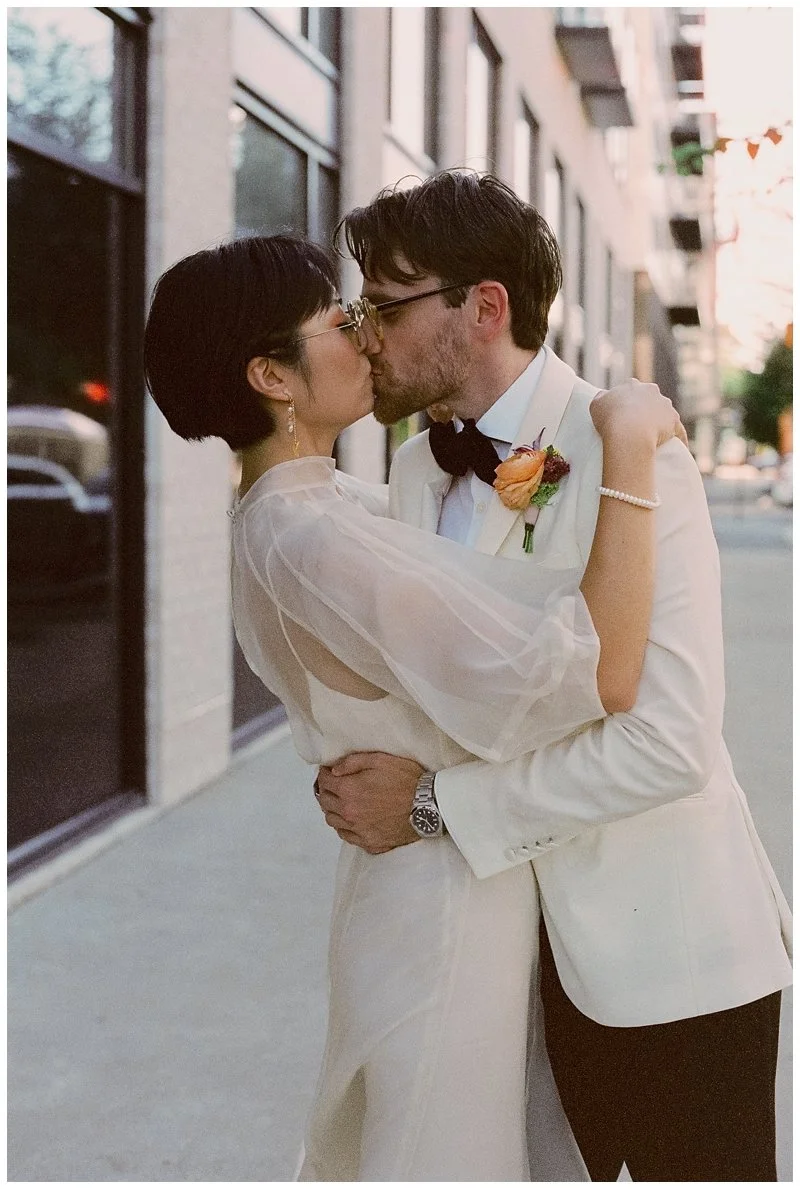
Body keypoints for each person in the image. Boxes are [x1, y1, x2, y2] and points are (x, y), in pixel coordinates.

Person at [143, 233, 686, 1181]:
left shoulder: (314, 507)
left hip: (426, 880)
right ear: (272, 373)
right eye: (340, 322)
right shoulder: (312, 536)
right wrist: (631, 452)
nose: (365, 340)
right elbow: (579, 675)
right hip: (442, 902)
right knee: (450, 1148)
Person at [315, 171, 793, 1182]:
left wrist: (436, 804)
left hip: (667, 966)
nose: (363, 332)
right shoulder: (410, 471)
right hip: (495, 971)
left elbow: (664, 742)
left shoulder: (632, 450)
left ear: (482, 308)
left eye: (383, 305)